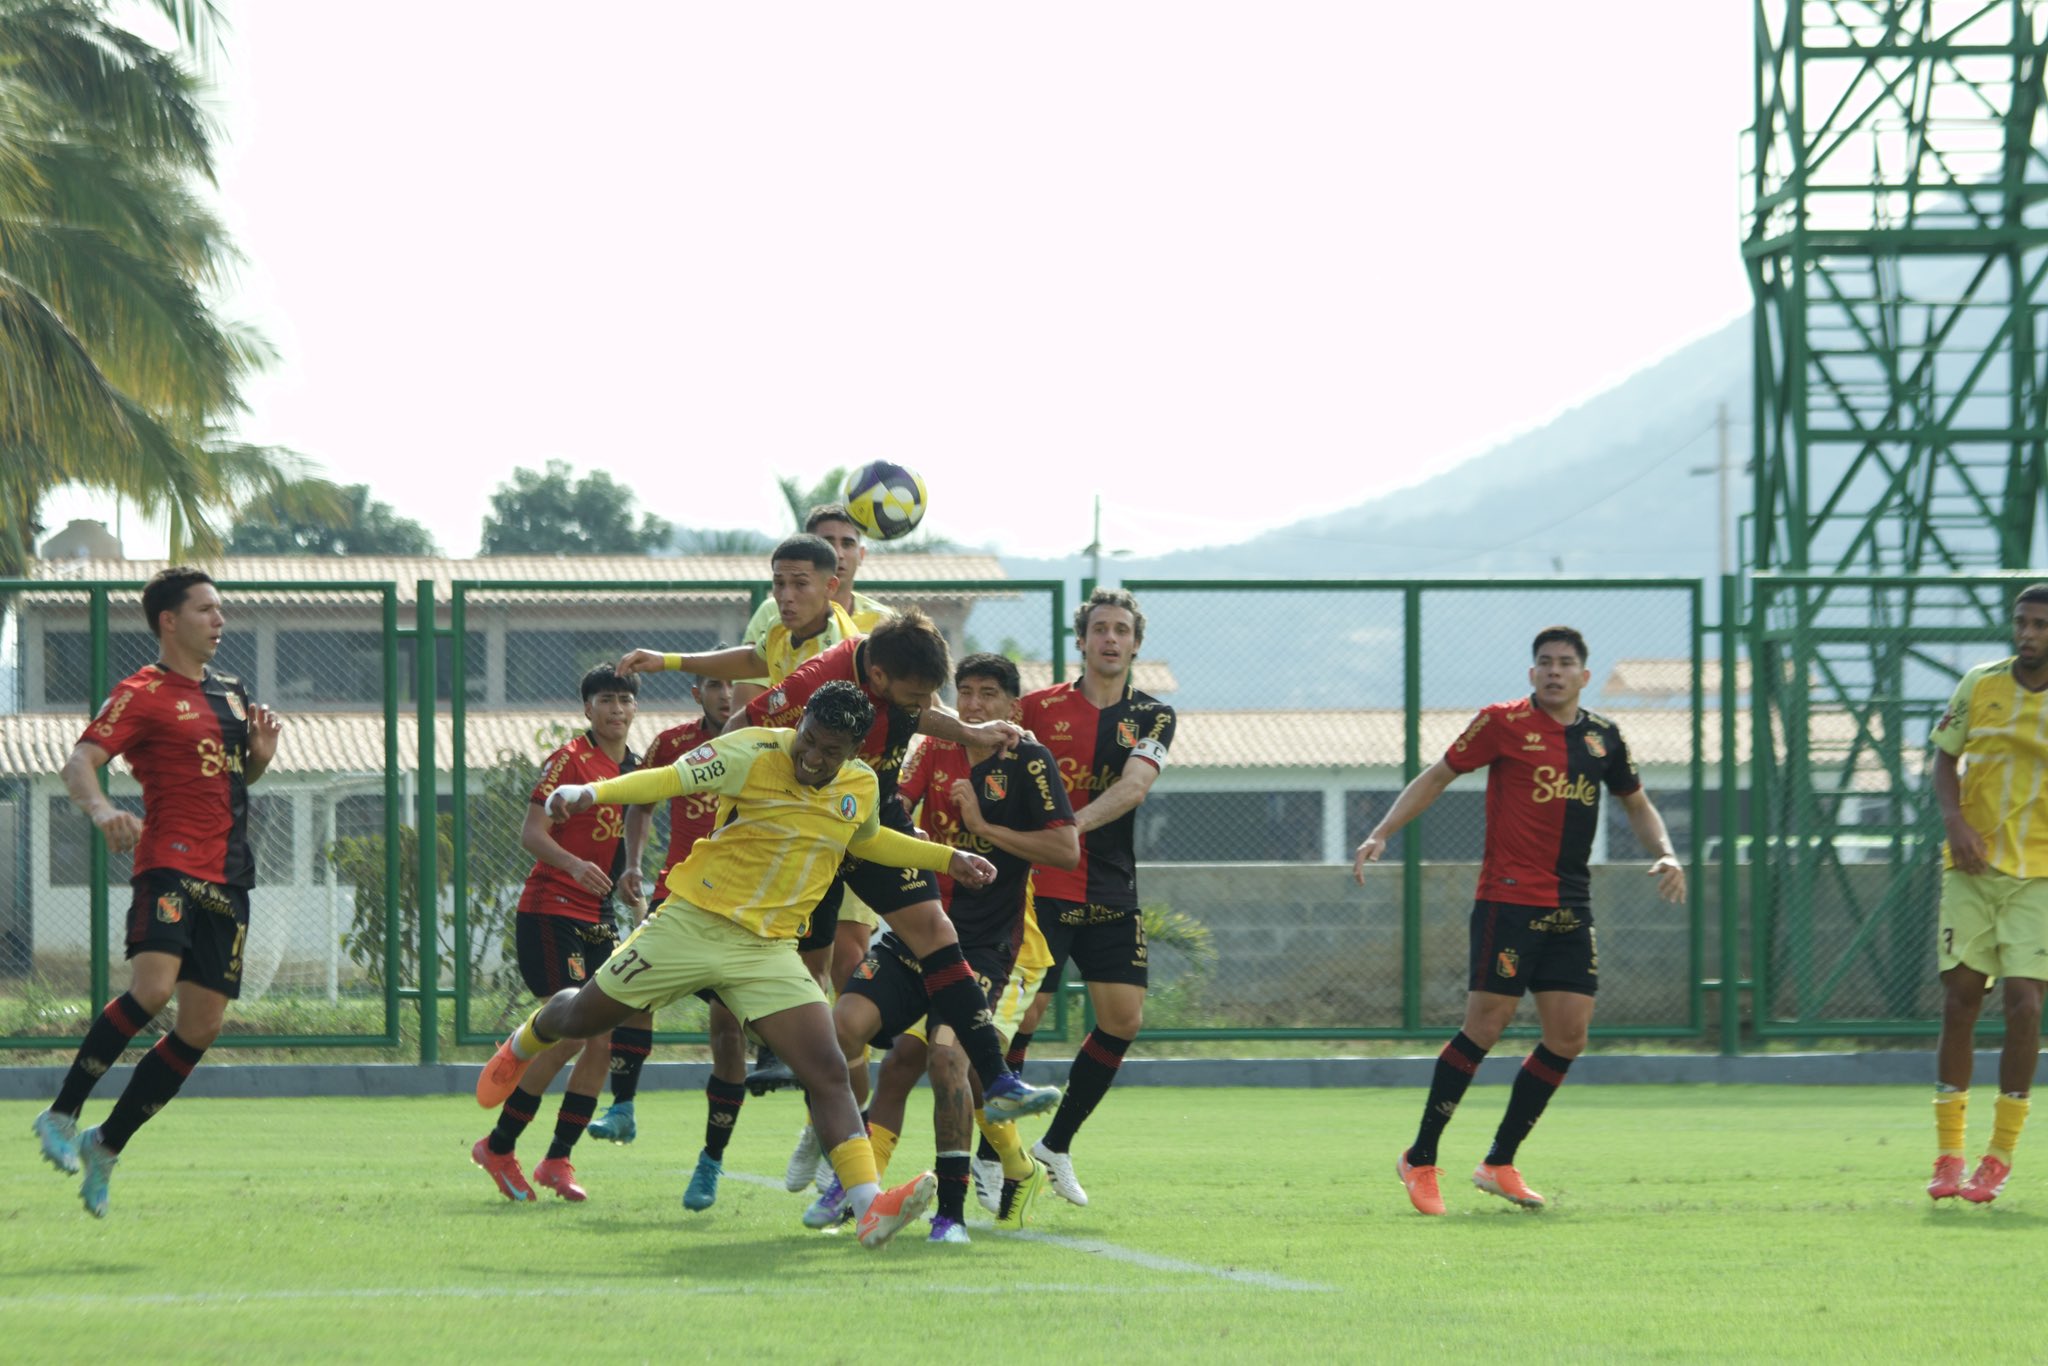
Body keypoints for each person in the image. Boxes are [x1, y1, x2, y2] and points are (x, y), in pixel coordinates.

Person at [476, 682, 976, 1249]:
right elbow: (666, 780)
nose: (813, 757)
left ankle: (866, 1209)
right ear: (801, 724)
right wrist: (594, 795)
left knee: (830, 1070)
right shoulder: (753, 751)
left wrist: (947, 858)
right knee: (583, 1019)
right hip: (690, 924)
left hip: (765, 951)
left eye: (830, 751)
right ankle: (525, 1041)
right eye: (808, 741)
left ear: (855, 751)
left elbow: (870, 841)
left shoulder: (859, 786)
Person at [1355, 625, 1685, 1216]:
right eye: (1544, 663)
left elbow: (1636, 801)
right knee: (1484, 1028)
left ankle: (1499, 1161)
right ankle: (1421, 1157)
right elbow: (1438, 775)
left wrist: (1664, 850)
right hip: (1508, 902)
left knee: (1569, 1036)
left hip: (1570, 905)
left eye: (1565, 663)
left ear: (1585, 676)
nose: (1554, 671)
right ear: (1531, 674)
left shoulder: (1605, 739)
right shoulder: (1502, 723)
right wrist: (1382, 832)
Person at [31, 567, 283, 1218]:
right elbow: (80, 760)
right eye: (206, 610)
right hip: (169, 864)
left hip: (230, 875)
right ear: (169, 621)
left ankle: (106, 1144)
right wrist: (101, 812)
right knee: (152, 990)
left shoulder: (231, 692)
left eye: (221, 610)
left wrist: (258, 756)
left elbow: (239, 779)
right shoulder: (140, 692)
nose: (219, 620)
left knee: (201, 1028)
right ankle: (60, 1115)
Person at [616, 532, 882, 1080]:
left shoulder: (851, 644)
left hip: (833, 812)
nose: (784, 594)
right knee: (799, 979)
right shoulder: (781, 633)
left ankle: (859, 1111)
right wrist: (668, 660)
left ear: (834, 583)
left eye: (797, 583)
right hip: (784, 814)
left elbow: (906, 710)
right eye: (778, 582)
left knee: (843, 969)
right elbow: (753, 662)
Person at [839, 653, 1077, 1241]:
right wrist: (902, 830)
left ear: (1012, 707)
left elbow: (1066, 851)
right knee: (900, 1066)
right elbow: (893, 804)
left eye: (988, 694)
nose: (973, 705)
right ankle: (862, 1198)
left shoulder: (1028, 761)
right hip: (930, 936)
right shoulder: (939, 748)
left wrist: (985, 828)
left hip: (1004, 946)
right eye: (964, 692)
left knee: (950, 1061)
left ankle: (954, 1212)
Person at [1008, 587, 1176, 1208]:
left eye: (1122, 630)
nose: (1110, 638)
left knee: (1123, 1020)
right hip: (1039, 887)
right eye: (1099, 628)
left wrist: (1066, 829)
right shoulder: (1033, 709)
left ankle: (1055, 1146)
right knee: (1021, 1018)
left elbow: (1134, 789)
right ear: (1080, 641)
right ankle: (994, 1154)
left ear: (1135, 644)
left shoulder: (1155, 717)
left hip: (1110, 887)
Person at [470, 664, 642, 1203]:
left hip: (598, 917)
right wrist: (572, 865)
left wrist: (627, 877)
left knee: (602, 1041)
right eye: (606, 700)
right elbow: (532, 833)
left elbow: (618, 844)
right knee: (572, 1033)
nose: (616, 709)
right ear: (587, 709)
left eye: (624, 700)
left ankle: (556, 1160)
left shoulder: (634, 768)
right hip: (551, 911)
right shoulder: (569, 760)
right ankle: (499, 1146)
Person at [592, 660, 737, 1211]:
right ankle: (623, 1105)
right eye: (716, 684)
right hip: (676, 896)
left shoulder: (773, 746)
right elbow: (642, 803)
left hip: (738, 910)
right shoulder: (674, 743)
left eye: (734, 684)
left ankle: (711, 1163)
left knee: (726, 1033)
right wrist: (633, 863)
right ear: (698, 691)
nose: (726, 694)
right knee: (633, 987)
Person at [1924, 584, 2048, 1204]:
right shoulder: (1980, 683)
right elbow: (1945, 760)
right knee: (1961, 998)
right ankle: (1949, 1156)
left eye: (2040, 625)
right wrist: (1955, 822)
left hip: (2042, 875)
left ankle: (1999, 1156)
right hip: (1972, 867)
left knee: (2025, 1002)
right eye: (2021, 623)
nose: (2027, 634)